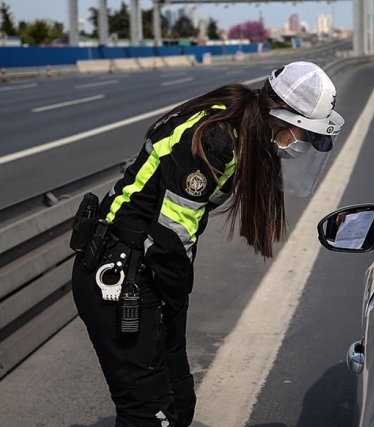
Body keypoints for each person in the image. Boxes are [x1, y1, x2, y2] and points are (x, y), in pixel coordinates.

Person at [68, 61, 344, 426]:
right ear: (282, 118)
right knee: (149, 415)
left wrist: (172, 304)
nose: (305, 144)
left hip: (149, 275)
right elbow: (169, 240)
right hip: (119, 278)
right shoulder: (215, 138)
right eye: (305, 134)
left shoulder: (242, 125)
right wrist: (175, 301)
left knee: (179, 402)